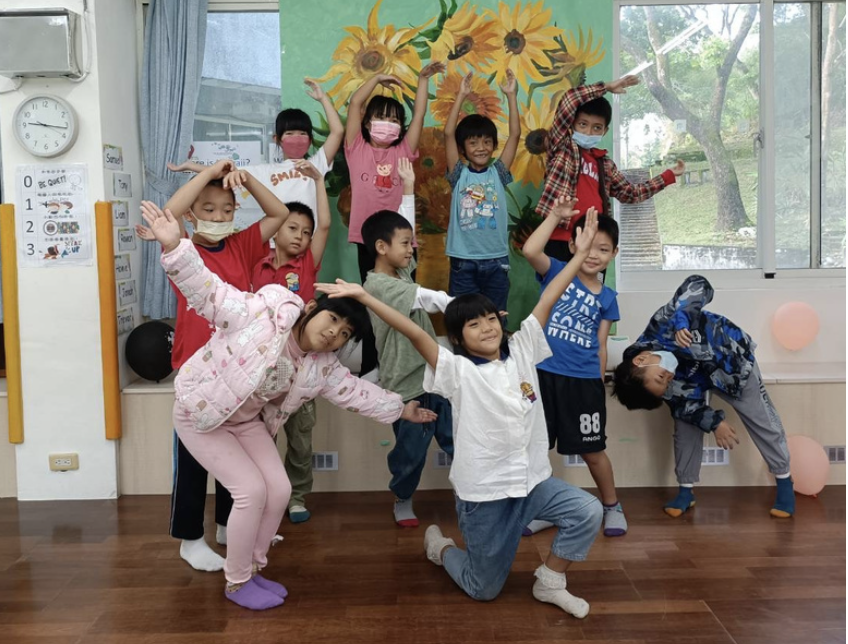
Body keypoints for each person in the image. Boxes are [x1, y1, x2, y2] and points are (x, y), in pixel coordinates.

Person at [140, 201, 438, 611]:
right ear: (312, 308)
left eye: (344, 333)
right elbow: (210, 292)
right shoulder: (260, 313)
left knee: (279, 490)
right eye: (332, 321)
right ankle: (237, 582)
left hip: (245, 422)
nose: (334, 334)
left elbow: (355, 392)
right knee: (249, 491)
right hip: (202, 413)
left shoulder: (321, 366)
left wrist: (402, 409)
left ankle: (253, 567)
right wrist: (176, 248)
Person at [316, 209, 604, 619]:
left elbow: (549, 297)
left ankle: (550, 580)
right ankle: (442, 548)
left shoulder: (523, 348)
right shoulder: (456, 370)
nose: (486, 327)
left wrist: (578, 255)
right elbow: (414, 331)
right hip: (485, 497)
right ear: (457, 338)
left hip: (531, 484)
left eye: (489, 319)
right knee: (483, 588)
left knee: (588, 510)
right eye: (473, 325)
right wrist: (365, 297)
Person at [136, 159, 290, 572]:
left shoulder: (241, 245)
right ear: (191, 214)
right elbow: (168, 214)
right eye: (208, 209)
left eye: (226, 209)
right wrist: (206, 173)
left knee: (239, 453)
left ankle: (227, 525)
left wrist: (246, 178)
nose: (219, 217)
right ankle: (190, 539)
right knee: (193, 459)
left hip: (239, 368)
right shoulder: (181, 245)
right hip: (197, 371)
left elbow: (279, 213)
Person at [611, 275, 795, 518]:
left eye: (661, 377)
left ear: (642, 359)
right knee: (684, 426)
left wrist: (682, 319)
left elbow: (698, 284)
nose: (668, 378)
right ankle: (685, 491)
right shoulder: (667, 384)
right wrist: (715, 423)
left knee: (762, 420)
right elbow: (686, 407)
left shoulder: (662, 324)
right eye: (664, 383)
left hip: (732, 367)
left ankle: (785, 482)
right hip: (696, 381)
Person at [522, 200, 626, 537]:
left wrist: (597, 385)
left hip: (582, 383)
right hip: (542, 376)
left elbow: (601, 345)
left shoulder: (608, 298)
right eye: (587, 245)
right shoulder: (555, 272)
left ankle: (612, 506)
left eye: (603, 249)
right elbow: (530, 250)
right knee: (536, 449)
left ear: (614, 253)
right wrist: (555, 216)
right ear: (572, 245)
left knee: (593, 452)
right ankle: (544, 509)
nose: (594, 255)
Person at [361, 158, 454, 527]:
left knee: (455, 439)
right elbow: (429, 299)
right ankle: (403, 497)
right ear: (381, 247)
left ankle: (473, 494)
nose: (411, 248)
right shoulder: (376, 285)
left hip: (436, 376)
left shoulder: (400, 272)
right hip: (405, 384)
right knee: (410, 452)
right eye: (404, 245)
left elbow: (404, 229)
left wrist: (409, 186)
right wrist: (470, 309)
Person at [344, 63, 444, 376]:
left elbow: (420, 115)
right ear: (367, 123)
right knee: (373, 302)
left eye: (394, 120)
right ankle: (371, 366)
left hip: (401, 242)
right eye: (381, 118)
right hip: (367, 241)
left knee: (404, 302)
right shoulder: (355, 148)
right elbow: (355, 104)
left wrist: (423, 79)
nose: (388, 124)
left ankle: (410, 364)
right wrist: (376, 78)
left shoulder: (403, 151)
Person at [250, 161, 331, 525]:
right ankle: (266, 495)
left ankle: (297, 496)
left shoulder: (306, 265)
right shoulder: (255, 262)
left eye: (305, 232)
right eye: (292, 228)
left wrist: (319, 181)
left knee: (300, 438)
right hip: (260, 369)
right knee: (260, 437)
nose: (300, 236)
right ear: (275, 229)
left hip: (301, 369)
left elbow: (325, 225)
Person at [536, 74, 685, 262]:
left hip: (593, 242)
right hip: (561, 238)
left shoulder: (605, 164)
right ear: (572, 124)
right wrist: (606, 87)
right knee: (559, 282)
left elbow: (630, 193)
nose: (589, 132)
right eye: (583, 124)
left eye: (597, 128)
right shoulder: (562, 146)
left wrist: (667, 176)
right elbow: (570, 99)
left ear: (604, 131)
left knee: (591, 282)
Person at [168, 78, 343, 216]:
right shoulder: (265, 171)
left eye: (302, 134)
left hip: (309, 240)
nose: (296, 139)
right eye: (289, 134)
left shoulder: (316, 165)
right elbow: (225, 172)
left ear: (310, 140)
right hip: (275, 242)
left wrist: (323, 99)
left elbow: (337, 132)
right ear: (277, 140)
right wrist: (191, 166)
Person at [443, 71, 520, 313]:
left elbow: (515, 135)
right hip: (463, 261)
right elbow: (448, 134)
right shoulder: (459, 174)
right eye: (473, 142)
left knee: (496, 316)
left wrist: (511, 96)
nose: (481, 148)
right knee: (463, 318)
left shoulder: (498, 172)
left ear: (494, 145)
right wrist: (461, 95)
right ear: (463, 148)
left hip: (497, 260)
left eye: (487, 142)